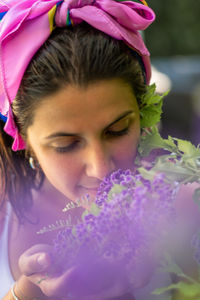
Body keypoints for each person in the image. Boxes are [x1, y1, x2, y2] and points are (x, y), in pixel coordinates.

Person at [0, 1, 199, 299]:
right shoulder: (4, 204)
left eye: (117, 131)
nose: (101, 168)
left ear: (142, 113)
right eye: (66, 145)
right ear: (23, 138)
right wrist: (27, 293)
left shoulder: (187, 208)